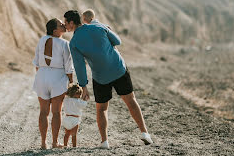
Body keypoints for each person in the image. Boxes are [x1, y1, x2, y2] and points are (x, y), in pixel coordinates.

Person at [64, 10, 153, 149]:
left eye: (65, 22)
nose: (65, 25)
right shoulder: (99, 26)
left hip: (100, 77)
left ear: (71, 22)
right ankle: (145, 133)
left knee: (101, 109)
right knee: (130, 100)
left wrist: (84, 86)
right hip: (118, 68)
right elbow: (118, 41)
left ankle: (104, 142)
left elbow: (79, 65)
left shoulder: (74, 42)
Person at [32, 18, 74, 149]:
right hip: (58, 77)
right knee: (56, 112)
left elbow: (37, 63)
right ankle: (55, 142)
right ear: (55, 31)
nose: (63, 25)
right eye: (61, 24)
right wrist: (71, 82)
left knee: (43, 112)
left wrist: (42, 76)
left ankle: (43, 143)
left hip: (42, 75)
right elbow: (68, 66)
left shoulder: (41, 40)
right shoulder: (64, 43)